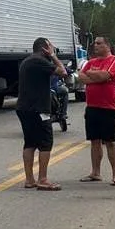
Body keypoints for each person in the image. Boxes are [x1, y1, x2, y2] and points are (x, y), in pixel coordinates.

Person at [16, 37, 67, 190]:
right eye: (50, 47)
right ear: (44, 48)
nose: (52, 49)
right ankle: (43, 179)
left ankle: (29, 179)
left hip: (24, 108)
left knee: (30, 143)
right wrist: (53, 55)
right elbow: (62, 72)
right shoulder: (39, 60)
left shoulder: (28, 61)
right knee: (46, 143)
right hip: (38, 109)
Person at [77, 36, 115, 185]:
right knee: (94, 141)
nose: (95, 46)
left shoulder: (114, 61)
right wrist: (98, 78)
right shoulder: (91, 62)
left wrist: (95, 75)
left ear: (107, 45)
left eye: (99, 43)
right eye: (94, 43)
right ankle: (95, 172)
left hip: (108, 107)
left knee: (110, 141)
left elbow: (105, 75)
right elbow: (81, 77)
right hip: (92, 107)